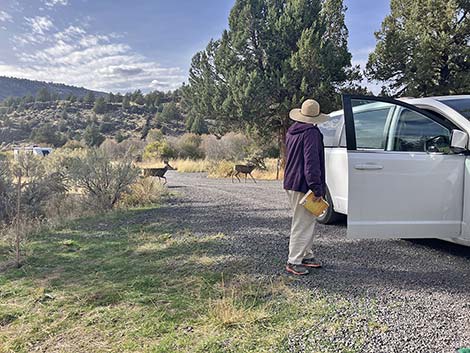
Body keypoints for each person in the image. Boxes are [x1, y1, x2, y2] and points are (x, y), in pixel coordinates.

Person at [283, 99, 328, 276]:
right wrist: (316, 188)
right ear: (316, 117)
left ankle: (306, 255)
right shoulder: (312, 133)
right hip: (304, 184)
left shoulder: (292, 131)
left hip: (291, 182)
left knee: (306, 220)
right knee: (302, 223)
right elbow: (311, 162)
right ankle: (294, 260)